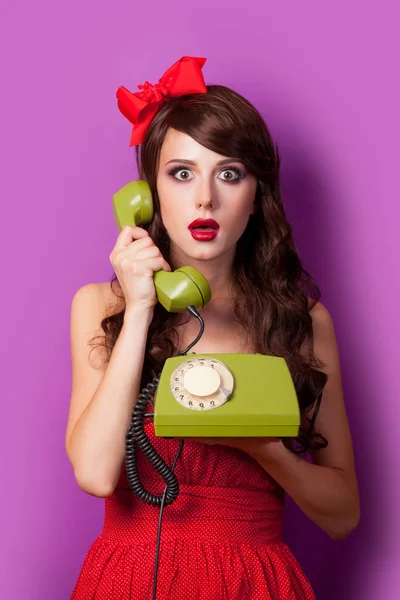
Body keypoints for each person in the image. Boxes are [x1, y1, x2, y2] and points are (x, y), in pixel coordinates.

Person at [65, 56, 360, 599]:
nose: (206, 198)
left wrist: (263, 449)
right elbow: (97, 473)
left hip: (255, 581)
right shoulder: (99, 306)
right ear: (148, 196)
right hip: (132, 578)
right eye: (182, 174)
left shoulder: (303, 323)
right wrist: (138, 310)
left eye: (229, 173)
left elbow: (343, 516)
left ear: (256, 197)